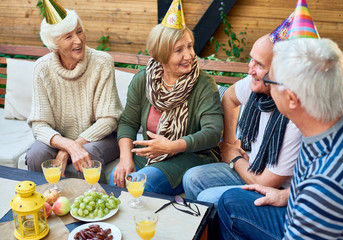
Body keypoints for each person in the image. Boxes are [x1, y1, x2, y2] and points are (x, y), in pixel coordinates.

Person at [218, 37, 343, 240]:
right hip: (306, 208)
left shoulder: (325, 185)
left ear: (291, 98)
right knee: (230, 201)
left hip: (311, 220)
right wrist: (287, 195)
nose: (265, 88)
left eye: (270, 82)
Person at [109, 0, 223, 195]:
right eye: (179, 50)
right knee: (116, 177)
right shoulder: (143, 79)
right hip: (153, 153)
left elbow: (213, 132)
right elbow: (128, 122)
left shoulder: (203, 84)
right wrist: (126, 159)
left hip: (192, 155)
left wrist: (171, 146)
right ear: (161, 55)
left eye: (189, 46)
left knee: (144, 183)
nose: (189, 55)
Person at [182, 32, 302, 206]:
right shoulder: (256, 84)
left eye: (259, 64)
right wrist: (231, 144)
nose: (250, 69)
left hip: (278, 192)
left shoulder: (293, 114)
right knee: (191, 178)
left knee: (208, 198)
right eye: (251, 59)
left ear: (280, 74)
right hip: (249, 166)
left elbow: (268, 182)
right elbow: (229, 98)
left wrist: (233, 157)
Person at [26, 1, 122, 184]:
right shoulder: (42, 68)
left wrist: (72, 147)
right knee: (37, 154)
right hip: (63, 139)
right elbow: (39, 125)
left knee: (88, 154)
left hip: (102, 138)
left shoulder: (102, 62)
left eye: (79, 31)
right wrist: (68, 145)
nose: (78, 41)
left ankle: (92, 209)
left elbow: (109, 120)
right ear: (54, 43)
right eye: (68, 37)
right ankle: (47, 202)